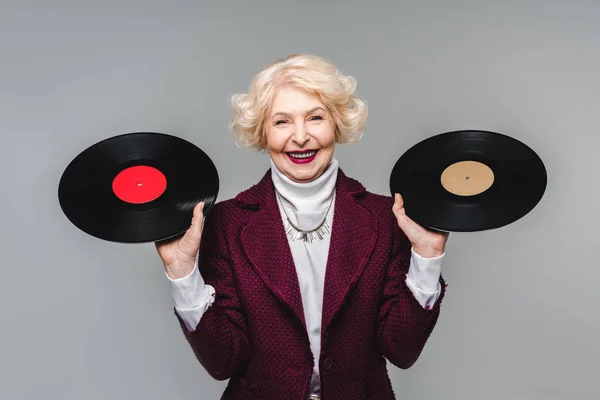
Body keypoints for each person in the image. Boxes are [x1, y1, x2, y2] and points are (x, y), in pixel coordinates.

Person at [155, 54, 449, 400]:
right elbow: (223, 362)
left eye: (316, 117)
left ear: (337, 124)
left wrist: (427, 257)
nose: (300, 137)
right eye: (281, 122)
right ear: (261, 133)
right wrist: (181, 272)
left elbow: (401, 350)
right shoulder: (226, 223)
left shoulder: (387, 218)